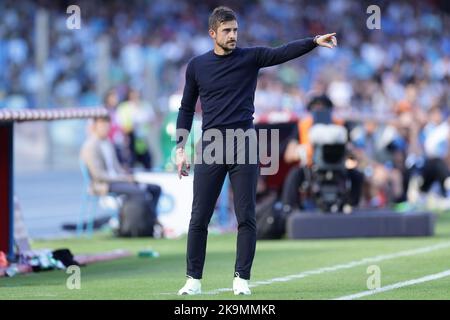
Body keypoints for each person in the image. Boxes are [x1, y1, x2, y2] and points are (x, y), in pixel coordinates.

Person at [175, 6, 337, 295]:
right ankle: (193, 279)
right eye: (227, 31)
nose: (233, 35)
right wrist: (180, 147)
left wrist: (313, 41)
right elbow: (186, 109)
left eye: (235, 30)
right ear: (213, 33)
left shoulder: (250, 58)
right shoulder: (197, 66)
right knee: (199, 216)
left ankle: (241, 279)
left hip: (244, 143)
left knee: (246, 215)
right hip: (211, 143)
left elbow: (282, 52)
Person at [281, 95, 364, 211]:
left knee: (357, 175)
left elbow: (356, 153)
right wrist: (301, 151)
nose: (320, 111)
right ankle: (288, 208)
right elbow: (288, 155)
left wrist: (348, 150)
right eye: (316, 108)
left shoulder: (340, 125)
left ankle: (351, 206)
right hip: (312, 168)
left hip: (339, 167)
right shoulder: (303, 126)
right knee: (294, 174)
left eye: (323, 107)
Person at [80, 115, 162, 227]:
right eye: (102, 125)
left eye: (107, 124)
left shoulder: (108, 142)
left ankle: (151, 221)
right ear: (94, 126)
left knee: (154, 189)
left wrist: (126, 175)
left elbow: (116, 167)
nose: (106, 127)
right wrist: (123, 178)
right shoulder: (90, 146)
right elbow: (98, 175)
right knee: (139, 191)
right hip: (103, 184)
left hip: (118, 180)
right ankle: (145, 225)